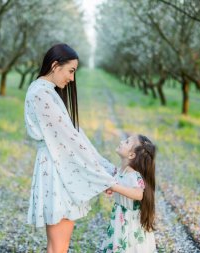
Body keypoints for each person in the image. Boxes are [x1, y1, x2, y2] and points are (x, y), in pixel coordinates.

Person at [24, 43, 118, 253]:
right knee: (58, 247)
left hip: (59, 165)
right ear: (55, 65)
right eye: (71, 71)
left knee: (58, 246)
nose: (72, 78)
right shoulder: (41, 94)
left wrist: (105, 168)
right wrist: (104, 176)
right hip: (58, 169)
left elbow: (75, 134)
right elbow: (71, 140)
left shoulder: (47, 92)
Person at [101, 134, 157, 253]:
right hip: (120, 216)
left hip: (130, 221)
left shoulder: (133, 175)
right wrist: (113, 189)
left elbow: (138, 194)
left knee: (130, 247)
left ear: (131, 155)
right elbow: (121, 187)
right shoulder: (121, 171)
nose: (121, 141)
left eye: (126, 142)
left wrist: (115, 187)